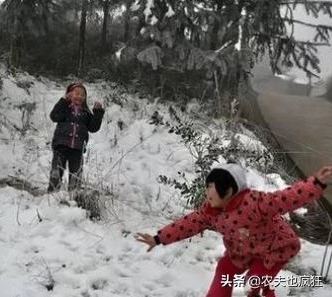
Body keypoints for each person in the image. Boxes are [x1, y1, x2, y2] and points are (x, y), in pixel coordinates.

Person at [136, 163, 332, 297]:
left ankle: (258, 291)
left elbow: (287, 198)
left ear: (229, 191)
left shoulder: (256, 202)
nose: (207, 192)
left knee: (252, 281)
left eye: (212, 187)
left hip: (273, 248)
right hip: (241, 251)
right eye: (208, 186)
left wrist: (316, 183)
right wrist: (158, 238)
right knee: (224, 269)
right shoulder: (210, 211)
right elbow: (188, 224)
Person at [47, 82, 105, 192]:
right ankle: (52, 193)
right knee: (56, 172)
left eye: (83, 95)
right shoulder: (65, 108)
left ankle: (73, 195)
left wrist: (98, 113)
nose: (80, 96)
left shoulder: (86, 112)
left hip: (77, 149)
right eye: (76, 93)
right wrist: (64, 101)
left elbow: (93, 127)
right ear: (69, 94)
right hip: (61, 145)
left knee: (76, 174)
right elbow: (54, 116)